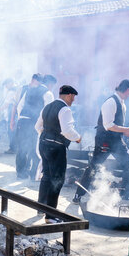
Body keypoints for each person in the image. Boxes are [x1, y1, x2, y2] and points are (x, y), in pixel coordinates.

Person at [72, 79, 129, 204]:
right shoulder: (111, 102)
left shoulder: (122, 104)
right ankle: (78, 195)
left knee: (128, 165)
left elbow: (118, 126)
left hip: (117, 141)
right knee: (93, 167)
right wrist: (126, 130)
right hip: (105, 141)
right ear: (127, 90)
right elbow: (108, 125)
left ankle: (124, 195)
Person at [36, 85, 81, 223]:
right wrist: (78, 137)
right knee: (57, 180)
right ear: (68, 95)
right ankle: (51, 215)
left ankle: (41, 207)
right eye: (73, 97)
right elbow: (67, 130)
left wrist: (48, 137)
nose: (73, 100)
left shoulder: (47, 107)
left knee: (47, 176)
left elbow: (38, 127)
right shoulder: (65, 109)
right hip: (57, 148)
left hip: (44, 144)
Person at [15, 73, 52, 179]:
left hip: (23, 122)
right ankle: (33, 174)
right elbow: (47, 110)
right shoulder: (47, 93)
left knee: (22, 147)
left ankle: (21, 173)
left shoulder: (28, 91)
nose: (31, 83)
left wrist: (20, 118)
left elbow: (20, 107)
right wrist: (43, 125)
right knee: (34, 148)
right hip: (35, 123)